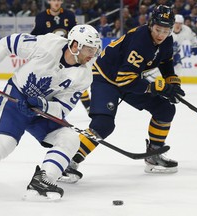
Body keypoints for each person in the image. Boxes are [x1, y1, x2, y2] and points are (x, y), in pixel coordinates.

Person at [0, 24, 101, 203]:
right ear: (75, 46)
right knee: (4, 142)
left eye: (94, 50)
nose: (92, 55)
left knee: (70, 139)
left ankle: (42, 182)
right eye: (89, 49)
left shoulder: (84, 76)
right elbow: (8, 43)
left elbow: (62, 108)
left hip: (41, 110)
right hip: (15, 98)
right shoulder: (48, 43)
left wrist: (42, 105)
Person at [60, 5, 186, 183]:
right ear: (151, 25)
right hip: (106, 79)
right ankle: (67, 162)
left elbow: (166, 62)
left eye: (166, 31)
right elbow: (124, 80)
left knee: (165, 110)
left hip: (129, 78)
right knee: (103, 125)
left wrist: (172, 82)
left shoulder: (166, 41)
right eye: (158, 29)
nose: (161, 35)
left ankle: (154, 154)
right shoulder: (141, 41)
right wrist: (156, 87)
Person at [31, 0, 91, 112]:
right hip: (50, 55)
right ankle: (43, 105)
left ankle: (88, 105)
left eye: (58, 0)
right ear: (49, 1)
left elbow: (77, 34)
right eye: (54, 0)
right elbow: (34, 37)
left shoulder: (69, 15)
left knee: (76, 79)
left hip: (68, 54)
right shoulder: (41, 17)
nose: (56, 2)